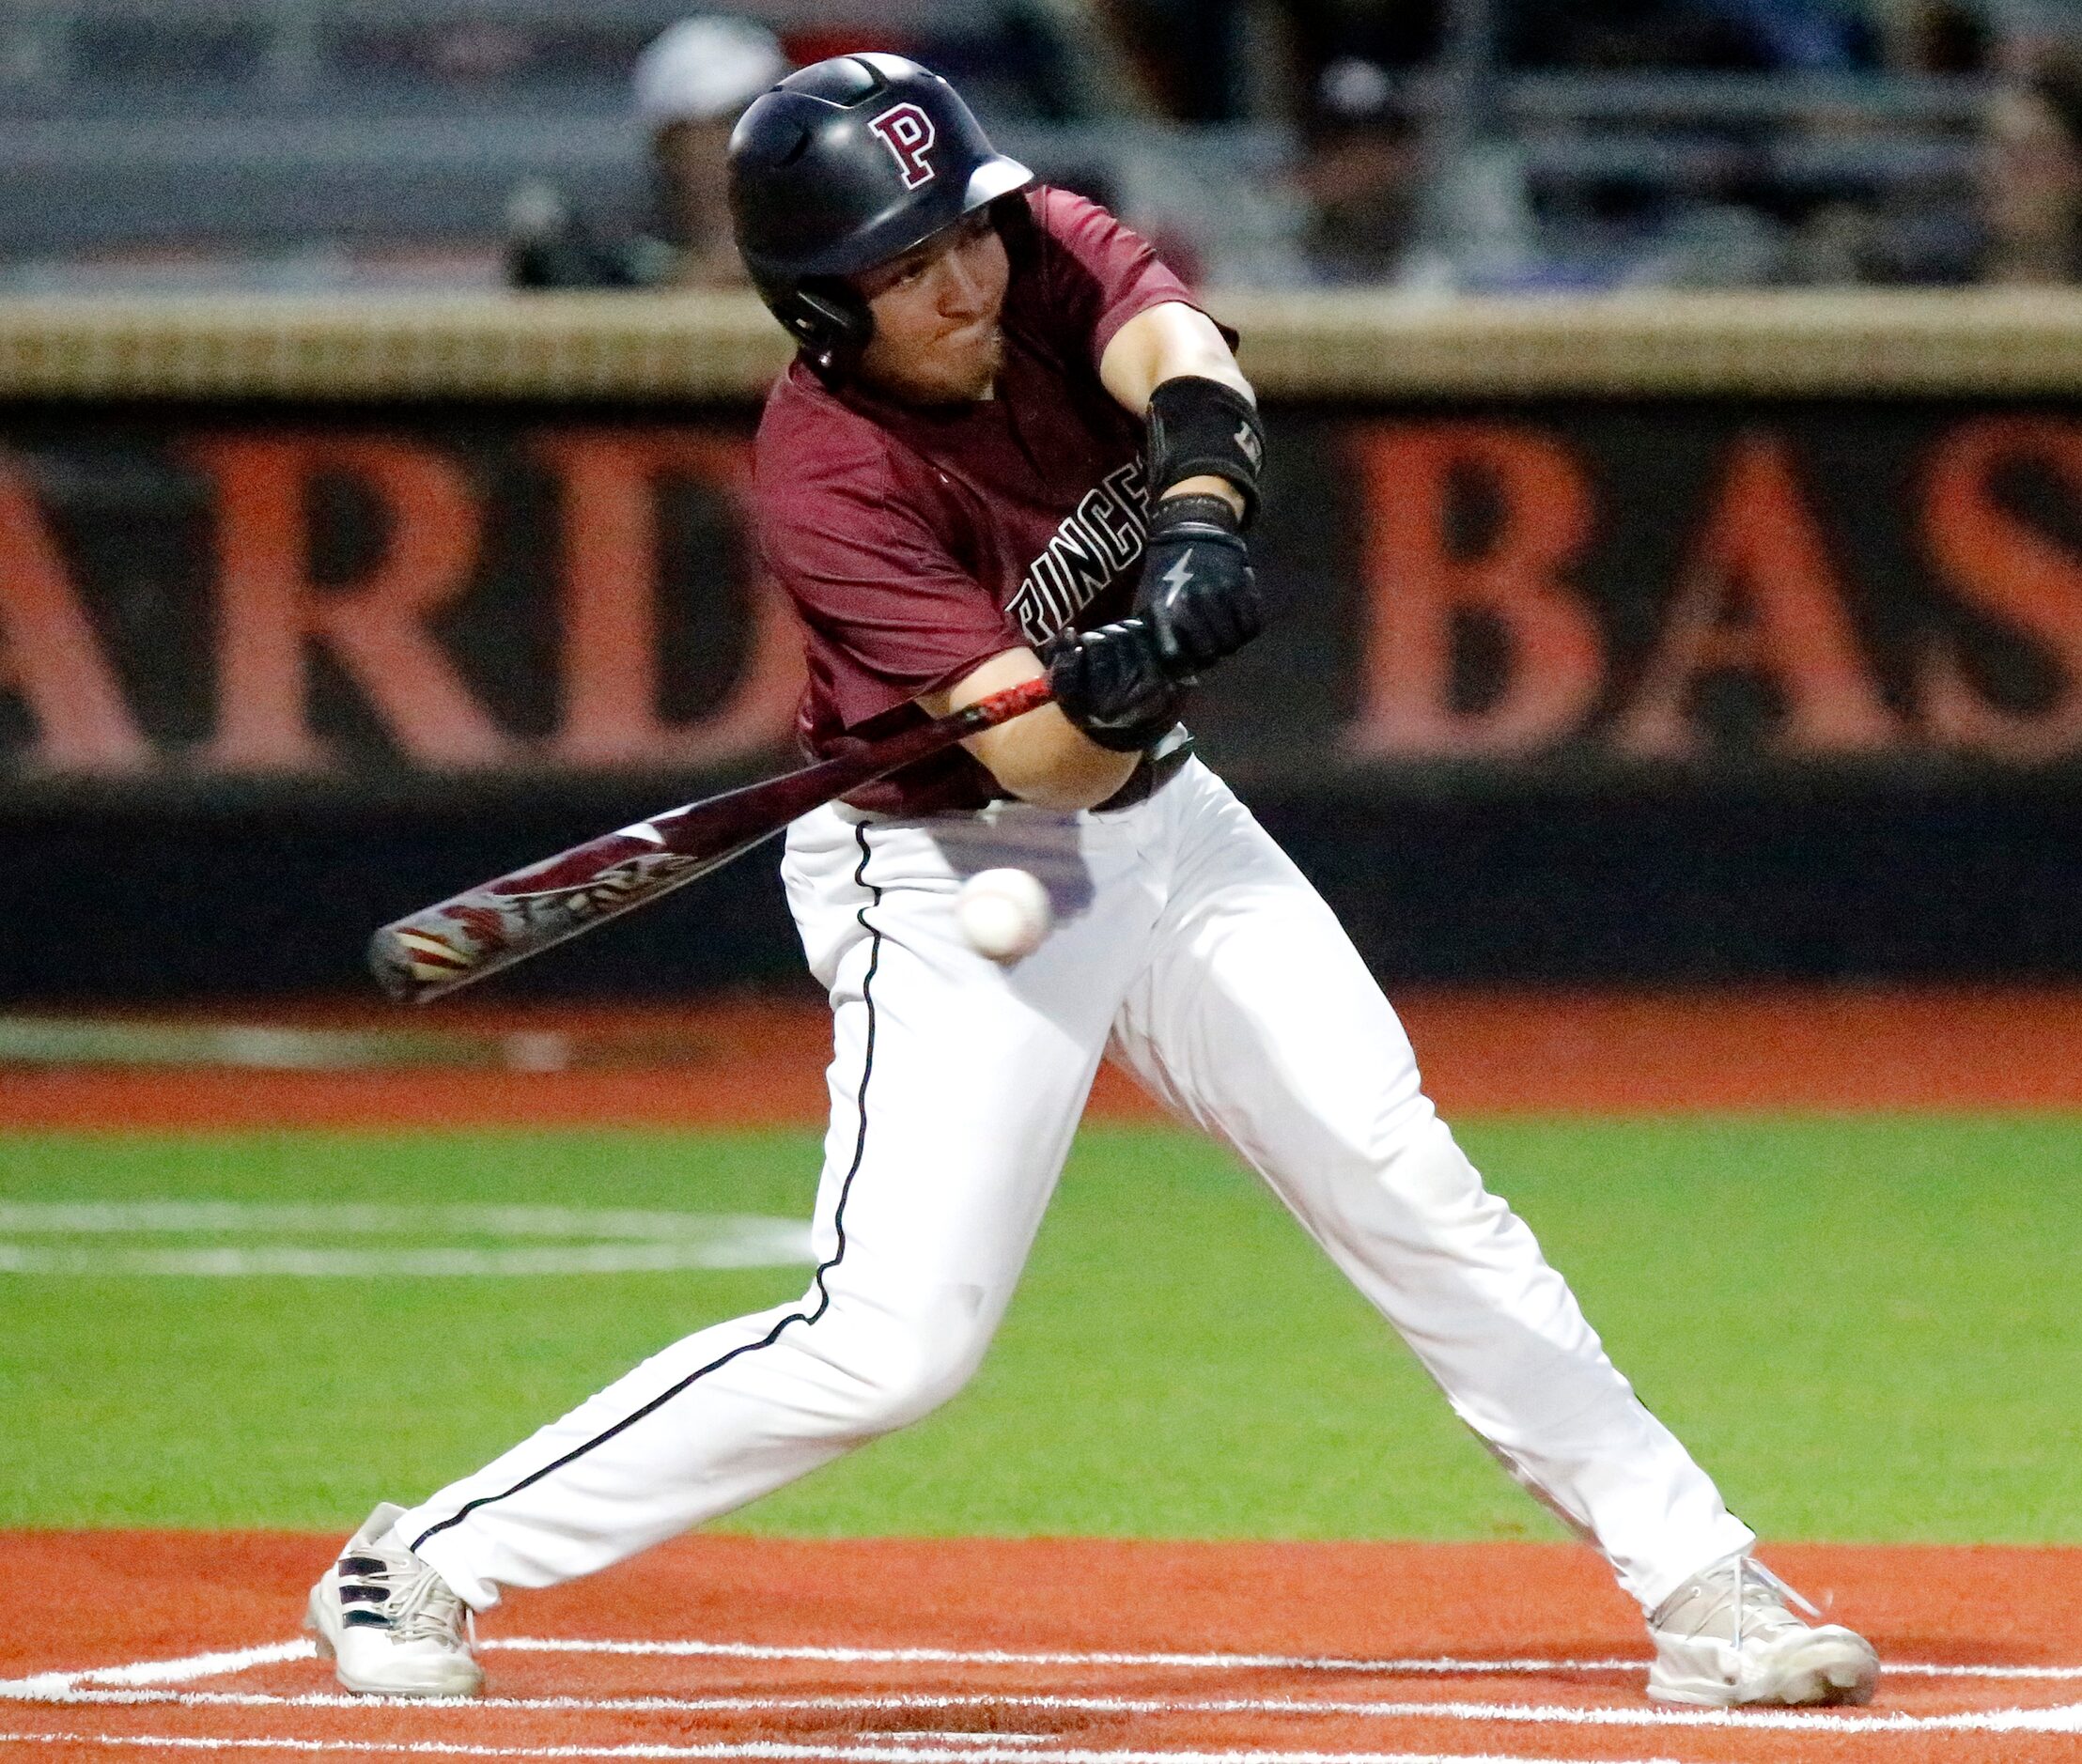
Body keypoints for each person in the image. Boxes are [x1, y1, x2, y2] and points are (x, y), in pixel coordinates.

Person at [305, 53, 1882, 1713]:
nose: (964, 276)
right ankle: (423, 1556)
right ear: (822, 305)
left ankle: (1697, 1575)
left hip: (1173, 832)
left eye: (962, 233)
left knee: (1404, 1179)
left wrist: (1198, 525)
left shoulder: (1028, 243)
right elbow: (1040, 765)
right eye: (904, 267)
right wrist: (1111, 676)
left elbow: (1182, 358)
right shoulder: (830, 477)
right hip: (959, 867)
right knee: (893, 1345)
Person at [506, 13, 785, 290]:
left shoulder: (813, 235)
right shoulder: (619, 262)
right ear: (672, 142)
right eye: (735, 117)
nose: (766, 137)